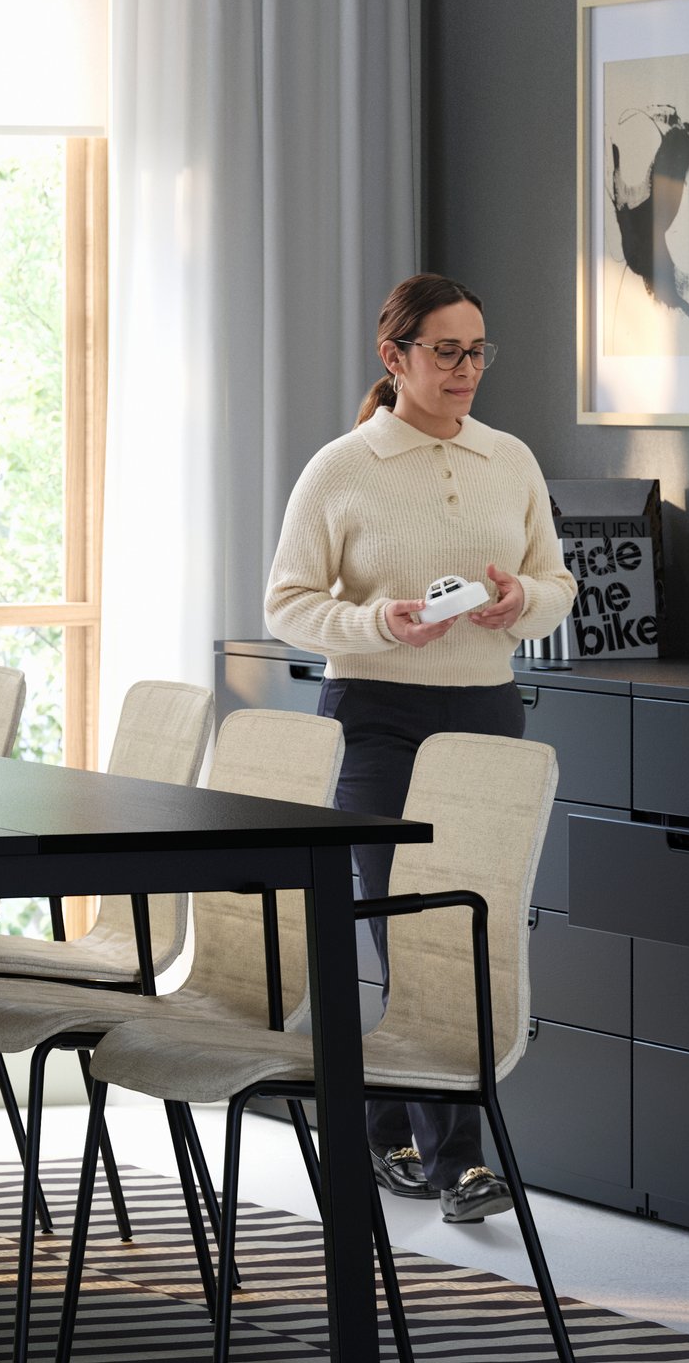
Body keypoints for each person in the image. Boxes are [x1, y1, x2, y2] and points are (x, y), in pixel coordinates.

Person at [264, 272, 576, 1224]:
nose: (466, 368)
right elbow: (286, 604)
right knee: (411, 932)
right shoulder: (341, 468)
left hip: (488, 715)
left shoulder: (510, 459)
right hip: (376, 719)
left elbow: (556, 584)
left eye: (477, 350)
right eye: (446, 350)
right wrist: (379, 623)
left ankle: (386, 1130)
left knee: (471, 932)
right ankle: (461, 1164)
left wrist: (522, 601)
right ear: (394, 357)